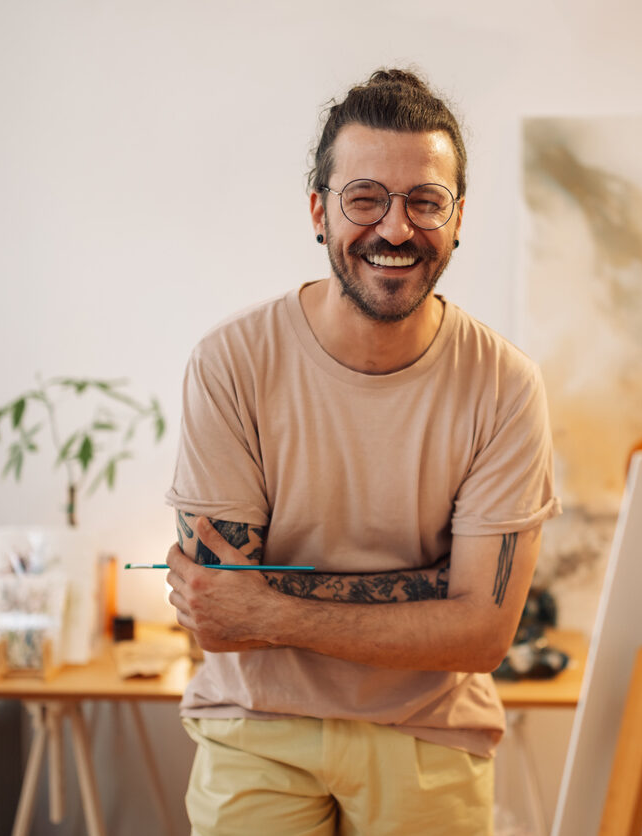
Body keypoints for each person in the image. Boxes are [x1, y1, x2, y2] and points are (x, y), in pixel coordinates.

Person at [164, 67, 561, 836]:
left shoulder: (505, 386)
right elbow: (217, 618)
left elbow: (481, 635)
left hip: (429, 732)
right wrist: (435, 591)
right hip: (256, 726)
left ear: (456, 217)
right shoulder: (231, 363)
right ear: (319, 210)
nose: (394, 228)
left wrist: (269, 606)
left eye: (424, 201)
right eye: (364, 198)